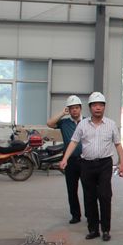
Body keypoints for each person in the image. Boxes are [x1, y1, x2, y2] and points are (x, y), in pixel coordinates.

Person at [59, 91, 123, 242]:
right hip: (87, 165)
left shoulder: (111, 124)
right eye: (95, 105)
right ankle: (93, 229)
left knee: (105, 195)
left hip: (105, 164)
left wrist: (122, 163)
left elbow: (118, 144)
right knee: (89, 197)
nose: (98, 108)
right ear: (90, 107)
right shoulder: (83, 124)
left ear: (104, 107)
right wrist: (65, 159)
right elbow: (74, 142)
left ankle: (106, 229)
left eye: (101, 105)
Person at [47, 95, 84, 224]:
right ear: (68, 109)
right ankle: (75, 215)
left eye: (76, 107)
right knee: (71, 189)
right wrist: (62, 113)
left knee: (89, 190)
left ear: (80, 108)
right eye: (71, 108)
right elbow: (49, 123)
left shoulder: (87, 122)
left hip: (86, 161)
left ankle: (91, 215)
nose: (74, 110)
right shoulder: (64, 123)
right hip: (70, 161)